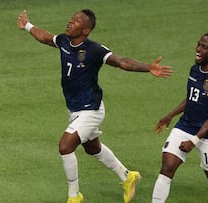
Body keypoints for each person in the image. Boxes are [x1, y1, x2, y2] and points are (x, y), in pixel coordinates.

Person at [17, 9, 172, 203]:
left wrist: (148, 67)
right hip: (74, 109)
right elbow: (46, 38)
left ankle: (74, 196)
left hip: (91, 109)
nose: (70, 21)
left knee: (65, 147)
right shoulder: (64, 41)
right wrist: (28, 26)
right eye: (72, 18)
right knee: (92, 148)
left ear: (86, 30)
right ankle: (127, 176)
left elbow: (122, 62)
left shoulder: (94, 50)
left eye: (77, 21)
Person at [151, 32, 208, 203]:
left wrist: (194, 140)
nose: (198, 49)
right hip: (184, 126)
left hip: (207, 134)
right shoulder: (195, 69)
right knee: (166, 168)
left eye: (204, 47)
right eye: (198, 45)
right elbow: (192, 98)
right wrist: (171, 114)